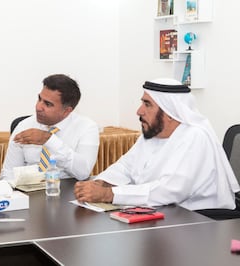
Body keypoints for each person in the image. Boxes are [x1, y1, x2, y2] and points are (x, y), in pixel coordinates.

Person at [74, 78, 240, 214]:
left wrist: (108, 194)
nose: (139, 111)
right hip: (165, 213)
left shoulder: (195, 137)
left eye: (147, 104)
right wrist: (101, 182)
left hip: (199, 221)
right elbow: (125, 166)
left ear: (169, 112)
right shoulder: (154, 133)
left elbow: (170, 190)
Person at [0, 74, 99, 183]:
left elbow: (83, 172)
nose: (38, 107)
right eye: (39, 99)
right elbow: (9, 173)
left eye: (48, 104)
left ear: (67, 111)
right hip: (27, 191)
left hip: (66, 192)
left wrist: (49, 140)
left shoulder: (87, 128)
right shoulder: (24, 126)